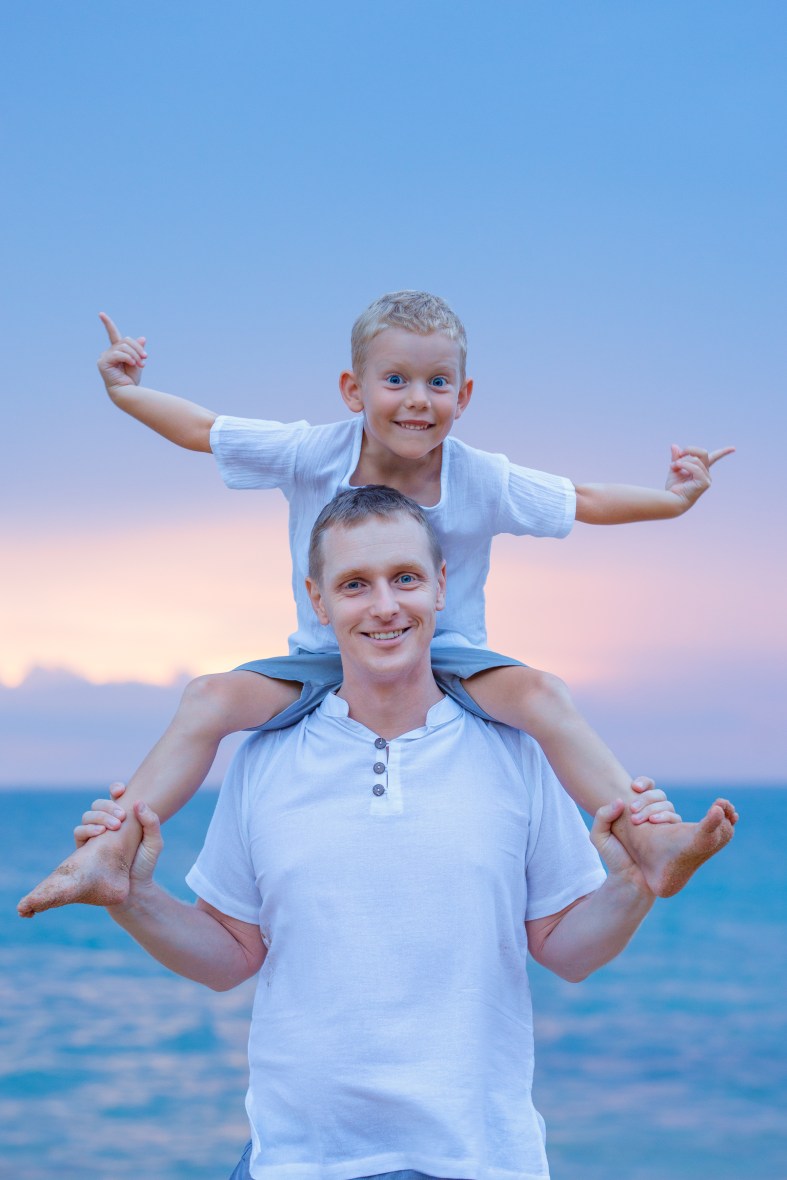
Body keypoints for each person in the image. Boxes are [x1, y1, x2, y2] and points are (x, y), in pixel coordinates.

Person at [79, 487, 737, 1180]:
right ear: (317, 600)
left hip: (480, 1159)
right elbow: (231, 957)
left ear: (441, 584)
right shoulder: (264, 758)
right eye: (354, 584)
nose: (385, 606)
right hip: (299, 1161)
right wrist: (132, 896)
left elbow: (565, 951)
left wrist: (633, 882)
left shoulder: (515, 749)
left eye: (405, 579)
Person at [18, 291, 735, 920]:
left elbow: (584, 500)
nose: (417, 398)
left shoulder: (479, 475)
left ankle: (648, 840)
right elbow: (202, 430)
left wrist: (673, 500)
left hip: (448, 656)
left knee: (545, 695)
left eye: (437, 381)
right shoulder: (309, 452)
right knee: (207, 698)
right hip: (318, 656)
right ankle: (109, 854)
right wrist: (125, 393)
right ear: (353, 389)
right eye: (395, 379)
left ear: (465, 394)